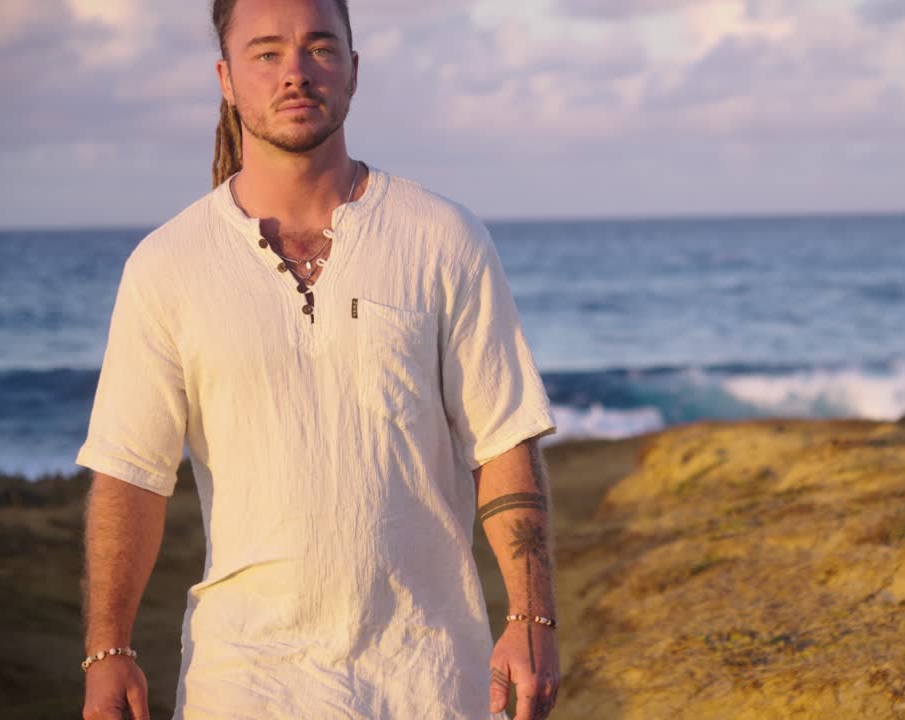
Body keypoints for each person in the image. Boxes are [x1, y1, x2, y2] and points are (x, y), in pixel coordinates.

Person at [76, 0, 560, 718]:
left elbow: (502, 440)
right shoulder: (167, 267)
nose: (295, 73)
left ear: (354, 71)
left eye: (320, 49)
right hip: (243, 683)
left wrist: (531, 617)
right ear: (226, 78)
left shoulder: (442, 239)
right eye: (266, 53)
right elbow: (131, 475)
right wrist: (108, 649)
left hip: (426, 679)